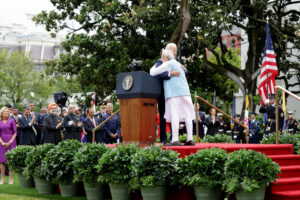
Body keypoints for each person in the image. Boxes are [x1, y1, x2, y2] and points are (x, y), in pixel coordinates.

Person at [150, 49, 195, 146]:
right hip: (185, 92)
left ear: (166, 57)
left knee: (175, 115)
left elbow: (153, 72)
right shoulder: (178, 64)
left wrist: (156, 65)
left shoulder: (167, 64)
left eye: (162, 57)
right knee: (187, 115)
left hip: (174, 93)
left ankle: (175, 139)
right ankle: (190, 138)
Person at [0, 107, 17, 184]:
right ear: (2, 113)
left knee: (10, 160)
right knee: (2, 161)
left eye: (8, 111)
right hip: (1, 142)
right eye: (5, 111)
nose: (7, 113)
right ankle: (2, 179)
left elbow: (15, 132)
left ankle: (11, 178)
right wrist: (2, 142)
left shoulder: (12, 120)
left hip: (11, 141)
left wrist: (10, 142)